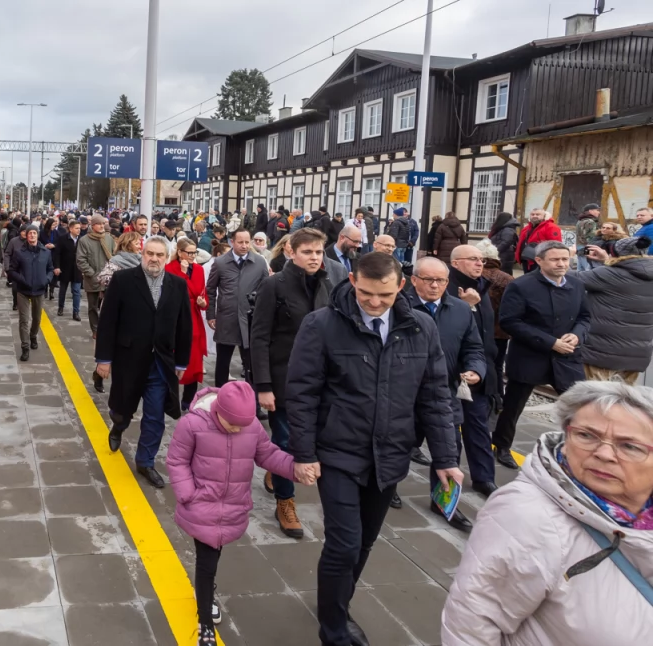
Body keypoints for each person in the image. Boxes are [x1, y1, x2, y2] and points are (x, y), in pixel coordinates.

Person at [286, 251, 462, 646]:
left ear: (402, 285)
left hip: (391, 454)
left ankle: (337, 601)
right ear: (352, 281)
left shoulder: (421, 328)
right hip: (338, 453)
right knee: (344, 543)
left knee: (364, 542)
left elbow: (435, 396)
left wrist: (446, 458)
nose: (374, 302)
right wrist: (304, 453)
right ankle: (334, 630)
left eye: (383, 294)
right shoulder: (322, 325)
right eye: (366, 293)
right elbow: (301, 394)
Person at [442, 381, 653, 646]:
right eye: (586, 435)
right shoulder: (527, 516)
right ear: (565, 437)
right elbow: (470, 625)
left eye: (630, 446)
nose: (604, 453)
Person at [167, 381, 315, 646]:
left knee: (214, 554)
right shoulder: (193, 424)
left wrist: (295, 469)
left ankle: (206, 592)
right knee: (206, 561)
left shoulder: (251, 427)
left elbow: (269, 455)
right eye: (232, 424)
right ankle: (205, 624)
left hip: (232, 506)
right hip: (202, 504)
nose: (237, 429)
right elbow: (176, 460)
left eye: (242, 425)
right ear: (218, 411)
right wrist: (188, 494)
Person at [250, 228, 335, 539]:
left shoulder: (328, 284)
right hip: (283, 379)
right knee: (286, 441)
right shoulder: (274, 285)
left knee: (316, 439)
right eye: (308, 252)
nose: (314, 258)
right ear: (291, 252)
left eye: (318, 252)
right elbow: (259, 336)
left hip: (321, 381)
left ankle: (276, 469)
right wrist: (263, 385)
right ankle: (285, 502)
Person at [95, 237, 194, 488]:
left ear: (167, 257)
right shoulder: (124, 280)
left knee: (154, 417)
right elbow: (107, 322)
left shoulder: (178, 285)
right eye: (150, 253)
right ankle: (119, 425)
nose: (154, 259)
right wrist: (103, 360)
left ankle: (145, 461)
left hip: (160, 364)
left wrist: (181, 363)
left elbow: (185, 328)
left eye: (160, 255)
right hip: (128, 359)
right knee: (122, 407)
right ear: (142, 254)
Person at [400, 257, 487, 531]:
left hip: (445, 391)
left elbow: (474, 348)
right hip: (406, 394)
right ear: (414, 281)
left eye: (441, 281)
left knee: (449, 450)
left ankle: (444, 502)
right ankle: (386, 488)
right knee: (400, 445)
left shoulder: (460, 310)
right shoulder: (399, 307)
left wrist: (475, 370)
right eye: (429, 280)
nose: (435, 285)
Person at [493, 241, 591, 470]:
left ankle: (577, 450)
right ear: (539, 261)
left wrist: (577, 336)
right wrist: (550, 342)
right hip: (530, 354)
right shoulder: (521, 286)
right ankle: (501, 445)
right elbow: (510, 321)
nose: (561, 264)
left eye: (565, 259)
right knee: (513, 405)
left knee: (582, 407)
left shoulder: (576, 285)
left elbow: (585, 317)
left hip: (566, 356)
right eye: (555, 259)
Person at [447, 244, 502, 497]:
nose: (480, 264)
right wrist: (464, 305)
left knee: (479, 428)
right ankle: (446, 486)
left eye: (482, 259)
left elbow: (484, 337)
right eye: (473, 259)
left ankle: (484, 478)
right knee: (448, 434)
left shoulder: (483, 287)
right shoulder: (445, 286)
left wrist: (486, 371)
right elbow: (445, 329)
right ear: (456, 263)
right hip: (451, 374)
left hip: (478, 372)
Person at [579, 236, 653, 384]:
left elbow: (566, 278)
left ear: (616, 252)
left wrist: (567, 256)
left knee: (595, 398)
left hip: (602, 353)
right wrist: (607, 260)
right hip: (637, 353)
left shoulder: (608, 274)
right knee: (623, 400)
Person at [206, 229, 270, 387]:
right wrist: (210, 314)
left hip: (250, 319)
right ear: (232, 242)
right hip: (227, 318)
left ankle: (253, 403)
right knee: (222, 362)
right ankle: (220, 398)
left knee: (251, 364)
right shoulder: (220, 263)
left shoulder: (259, 262)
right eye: (240, 242)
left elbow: (267, 289)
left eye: (247, 242)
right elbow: (210, 290)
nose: (244, 245)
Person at [166, 238, 209, 411]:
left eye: (194, 252)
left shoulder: (199, 269)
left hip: (194, 315)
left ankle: (188, 399)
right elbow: (175, 291)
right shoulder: (170, 269)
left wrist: (203, 303)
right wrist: (183, 273)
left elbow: (203, 293)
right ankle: (173, 398)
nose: (192, 256)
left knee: (195, 359)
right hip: (176, 316)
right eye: (189, 252)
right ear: (180, 252)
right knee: (177, 354)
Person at [7, 225, 54, 362]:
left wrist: (47, 279)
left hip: (39, 290)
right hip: (23, 290)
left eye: (34, 233)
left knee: (37, 318)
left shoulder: (46, 252)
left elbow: (50, 269)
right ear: (26, 236)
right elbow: (12, 270)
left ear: (37, 235)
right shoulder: (19, 252)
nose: (32, 235)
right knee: (23, 320)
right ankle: (25, 347)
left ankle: (33, 335)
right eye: (30, 233)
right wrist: (22, 279)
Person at [475, 238, 515, 387]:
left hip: (478, 329)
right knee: (497, 366)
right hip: (500, 331)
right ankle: (498, 400)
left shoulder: (475, 276)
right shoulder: (508, 279)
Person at [76, 215, 116, 338]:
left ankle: (107, 327)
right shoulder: (84, 240)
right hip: (92, 278)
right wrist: (92, 273)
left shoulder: (109, 239)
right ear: (93, 226)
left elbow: (115, 256)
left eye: (103, 224)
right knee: (93, 306)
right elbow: (81, 260)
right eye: (99, 224)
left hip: (109, 278)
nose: (102, 226)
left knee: (108, 305)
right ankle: (95, 329)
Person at [53, 219, 83, 320]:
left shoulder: (82, 240)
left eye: (79, 228)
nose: (79, 230)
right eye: (76, 228)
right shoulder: (62, 239)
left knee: (77, 291)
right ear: (70, 229)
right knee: (63, 290)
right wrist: (57, 266)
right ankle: (60, 307)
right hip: (65, 268)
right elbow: (57, 254)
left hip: (77, 269)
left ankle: (76, 312)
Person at [516, 208, 563, 274]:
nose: (535, 216)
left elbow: (555, 245)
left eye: (538, 214)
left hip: (541, 260)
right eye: (532, 214)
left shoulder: (551, 227)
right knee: (527, 280)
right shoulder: (526, 228)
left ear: (544, 216)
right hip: (526, 259)